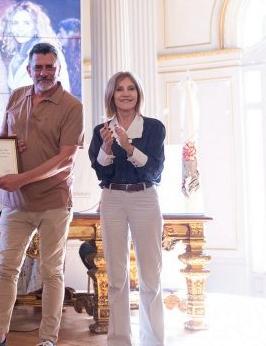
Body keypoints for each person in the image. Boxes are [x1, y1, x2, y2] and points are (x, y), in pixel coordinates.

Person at [0, 43, 84, 346]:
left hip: (54, 202)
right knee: (6, 270)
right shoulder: (15, 96)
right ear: (28, 69)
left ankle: (48, 339)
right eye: (38, 67)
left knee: (51, 272)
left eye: (50, 67)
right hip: (15, 204)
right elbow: (6, 141)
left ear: (59, 69)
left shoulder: (73, 106)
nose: (44, 72)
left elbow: (66, 159)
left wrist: (21, 178)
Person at [88, 71, 166, 346]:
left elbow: (155, 169)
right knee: (117, 277)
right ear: (112, 94)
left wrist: (128, 146)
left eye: (131, 88)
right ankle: (120, 341)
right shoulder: (102, 130)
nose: (126, 93)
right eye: (120, 88)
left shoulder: (154, 127)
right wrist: (107, 147)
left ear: (138, 93)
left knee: (150, 277)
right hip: (112, 199)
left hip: (145, 198)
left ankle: (154, 341)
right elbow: (100, 172)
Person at [0, 1, 69, 92]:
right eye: (15, 23)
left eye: (26, 23)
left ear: (36, 27)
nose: (20, 28)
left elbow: (62, 93)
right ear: (9, 28)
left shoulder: (49, 52)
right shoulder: (18, 55)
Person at [56, 18, 81, 100]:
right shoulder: (64, 53)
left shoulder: (77, 57)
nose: (57, 36)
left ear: (70, 33)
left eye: (60, 32)